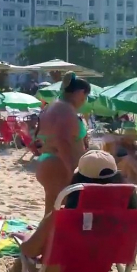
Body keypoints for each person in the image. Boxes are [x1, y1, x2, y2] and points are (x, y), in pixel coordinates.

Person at [11, 150, 137, 272]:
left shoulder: (61, 217)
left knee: (23, 254)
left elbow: (30, 250)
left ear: (78, 180)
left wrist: (24, 241)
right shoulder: (125, 219)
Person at [35, 72, 90, 216]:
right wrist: (72, 171)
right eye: (85, 97)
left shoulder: (53, 106)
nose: (84, 101)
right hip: (59, 164)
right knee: (60, 213)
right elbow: (62, 141)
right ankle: (49, 238)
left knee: (52, 212)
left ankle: (46, 238)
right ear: (79, 92)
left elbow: (37, 137)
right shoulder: (65, 110)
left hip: (50, 162)